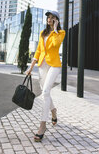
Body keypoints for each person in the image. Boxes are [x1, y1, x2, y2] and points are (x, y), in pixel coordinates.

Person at [26, 10, 65, 142]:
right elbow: (38, 50)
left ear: (56, 20)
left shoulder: (61, 33)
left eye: (52, 17)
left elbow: (56, 44)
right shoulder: (43, 33)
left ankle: (42, 125)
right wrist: (31, 67)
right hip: (42, 65)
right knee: (45, 92)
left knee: (46, 92)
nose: (49, 19)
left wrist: (55, 29)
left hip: (54, 65)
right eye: (48, 17)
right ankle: (53, 111)